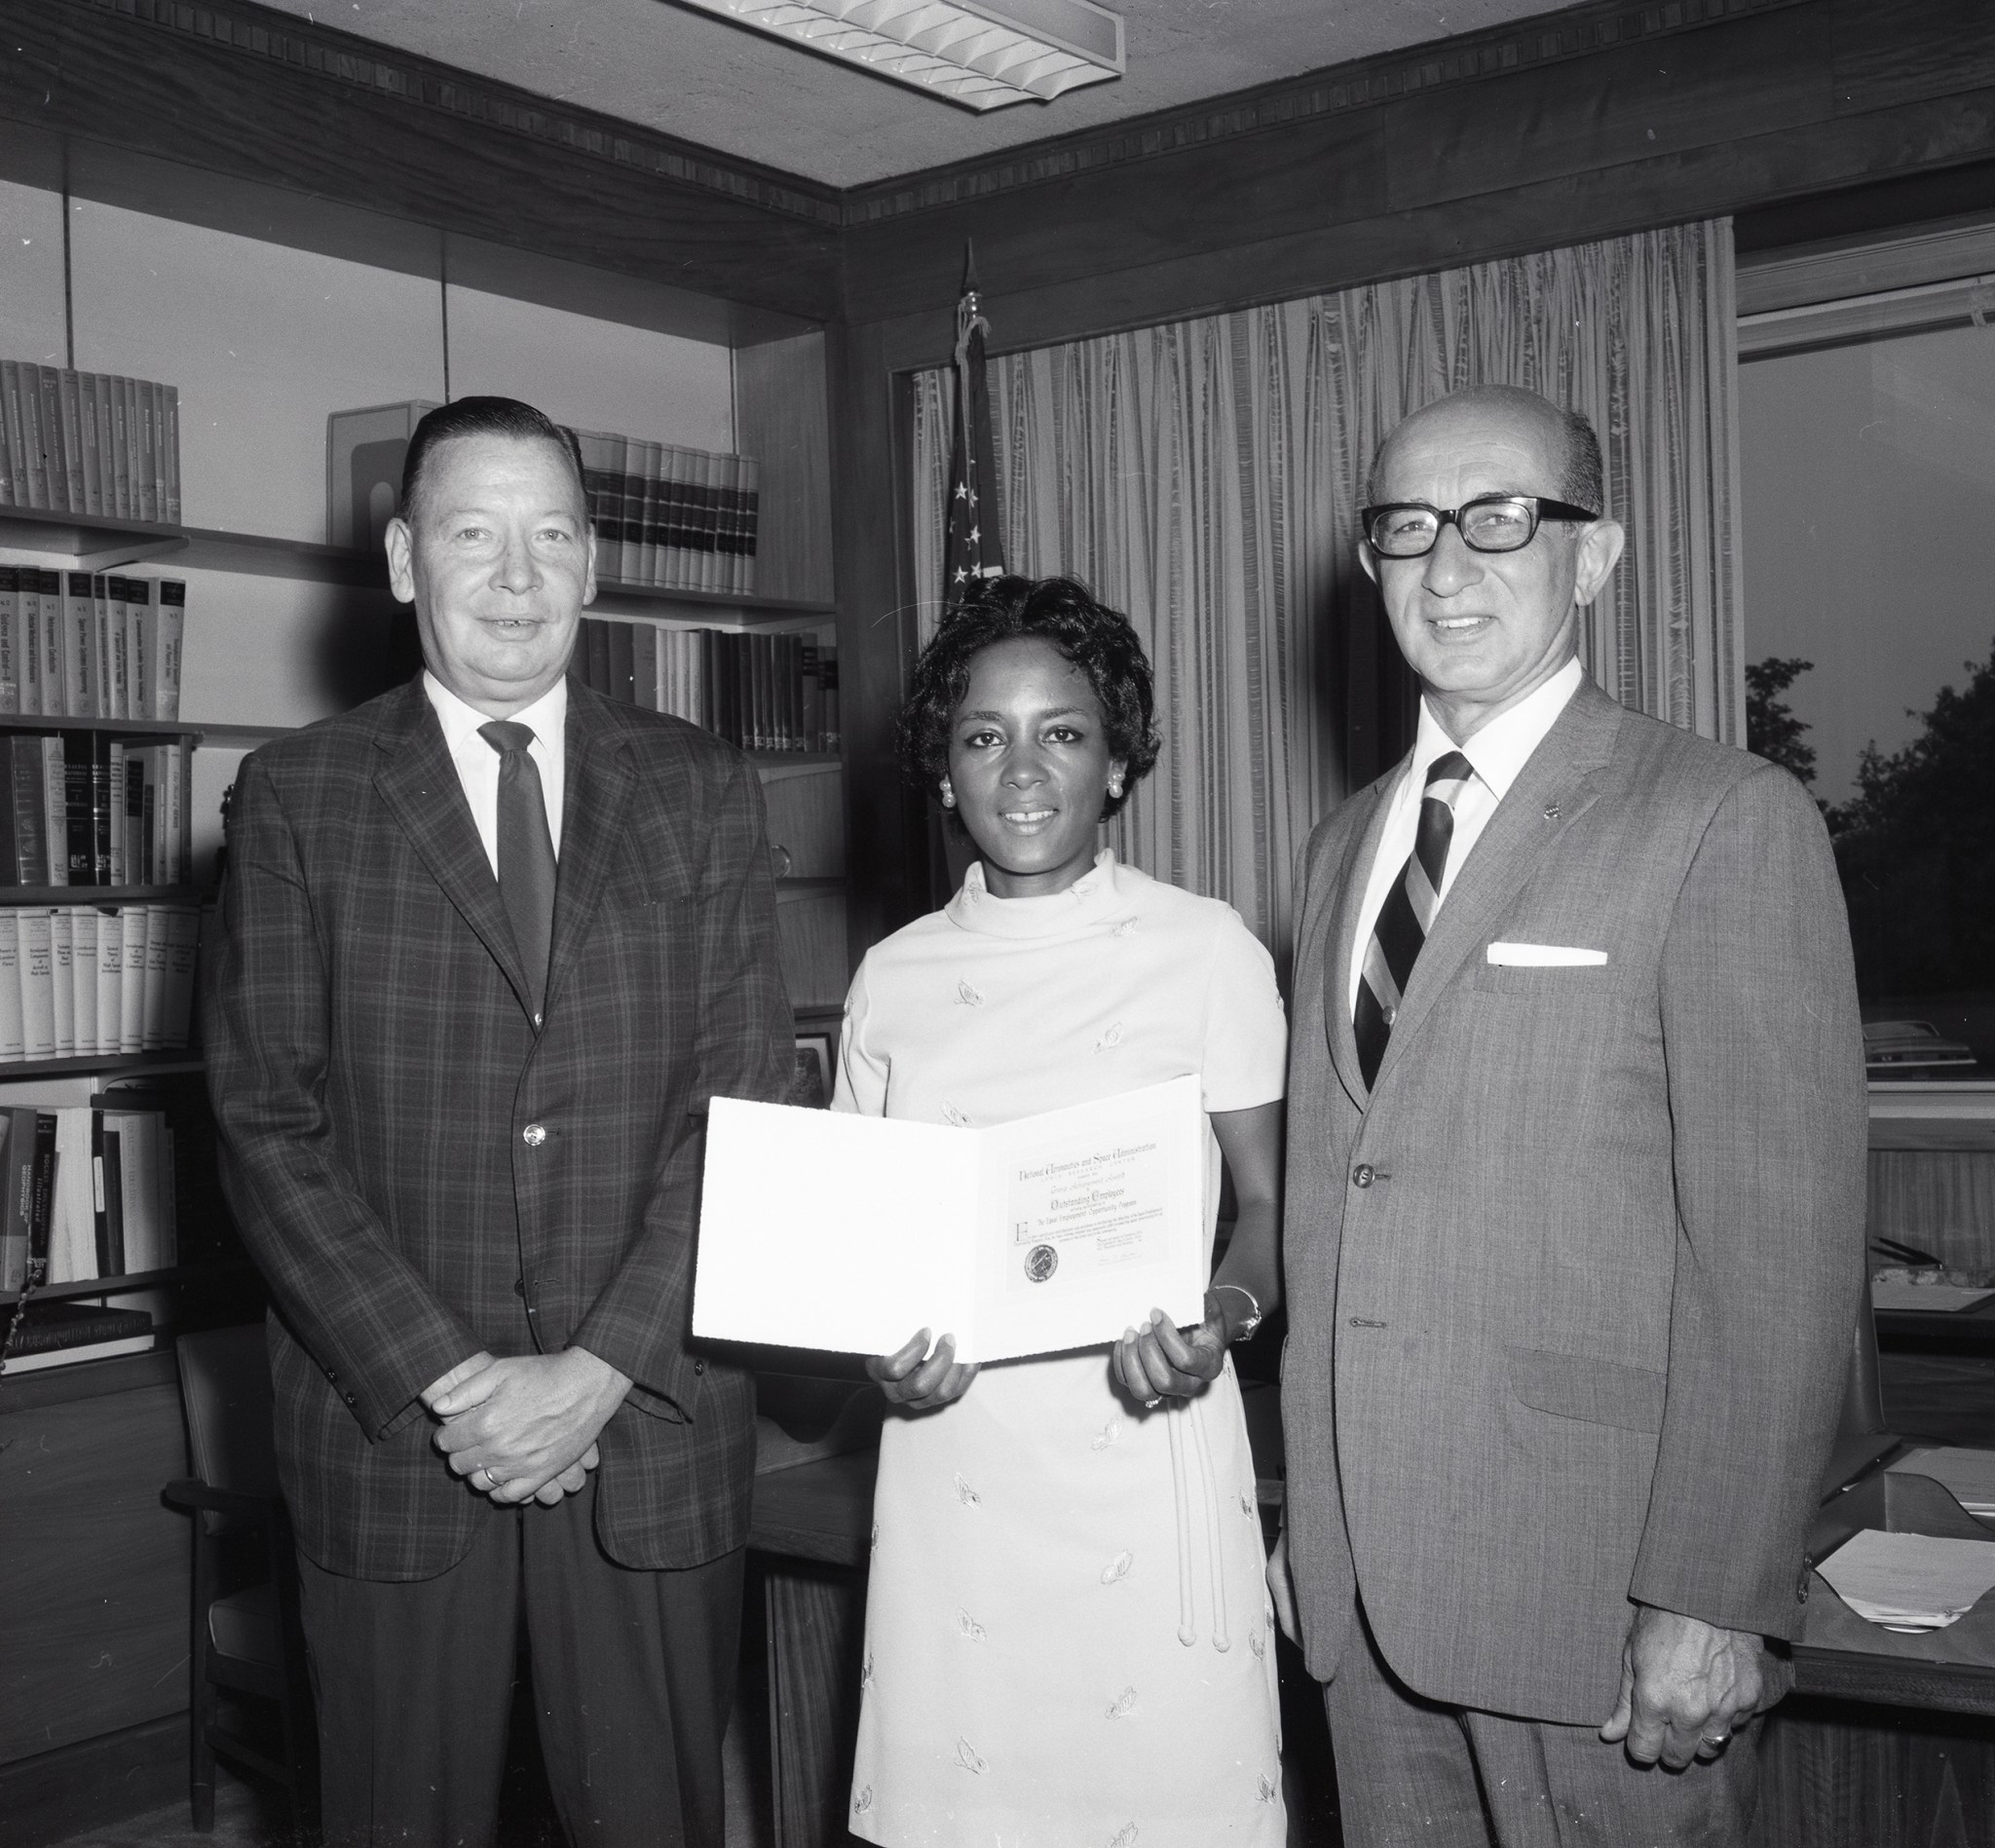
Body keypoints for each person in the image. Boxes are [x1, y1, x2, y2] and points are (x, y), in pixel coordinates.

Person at [1273, 383, 1865, 1847]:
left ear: (1594, 556)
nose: (1449, 566)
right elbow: (1340, 1200)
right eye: (1407, 527)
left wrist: (1717, 1591)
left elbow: (1775, 1254)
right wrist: (1312, 1515)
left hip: (1591, 1600)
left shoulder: (1723, 818)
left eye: (1501, 519)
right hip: (1365, 1601)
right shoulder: (1344, 841)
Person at [204, 396, 791, 1848]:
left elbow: (749, 1109)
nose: (516, 578)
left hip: (646, 1425)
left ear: (594, 566)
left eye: (550, 538)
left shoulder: (703, 792)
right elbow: (266, 1127)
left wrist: (593, 1372)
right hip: (397, 1437)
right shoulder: (298, 798)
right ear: (405, 559)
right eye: (475, 533)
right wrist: (463, 1383)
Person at [839, 575, 1289, 1845]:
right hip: (958, 1480)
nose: (1023, 769)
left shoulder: (1209, 951)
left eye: (1064, 732)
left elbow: (1269, 1209)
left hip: (1147, 1455)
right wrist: (885, 1362)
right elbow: (870, 1259)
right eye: (985, 736)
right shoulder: (892, 979)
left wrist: (1223, 1311)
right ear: (944, 773)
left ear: (1119, 766)